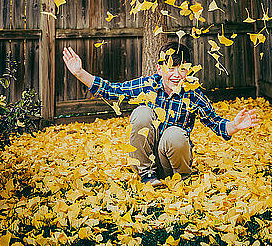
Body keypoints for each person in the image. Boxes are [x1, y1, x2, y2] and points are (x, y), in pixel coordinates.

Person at [63, 42, 258, 187]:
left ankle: (182, 178)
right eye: (170, 67)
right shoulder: (148, 85)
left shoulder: (193, 92)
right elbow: (113, 90)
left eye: (181, 69)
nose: (176, 74)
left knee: (174, 132)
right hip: (147, 160)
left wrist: (235, 125)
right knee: (142, 113)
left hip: (172, 160)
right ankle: (147, 174)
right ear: (159, 68)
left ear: (188, 70)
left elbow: (216, 123)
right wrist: (80, 73)